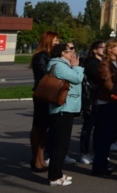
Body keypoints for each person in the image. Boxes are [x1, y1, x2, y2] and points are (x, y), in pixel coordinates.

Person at [46, 43, 84, 186]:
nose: (73, 54)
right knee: (60, 143)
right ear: (62, 53)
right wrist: (76, 66)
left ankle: (58, 173)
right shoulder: (59, 65)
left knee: (62, 142)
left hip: (66, 107)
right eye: (70, 51)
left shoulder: (62, 64)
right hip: (62, 108)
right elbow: (77, 79)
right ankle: (54, 177)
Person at [92, 38, 117, 177]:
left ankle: (102, 164)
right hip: (107, 102)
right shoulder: (104, 65)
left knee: (110, 135)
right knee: (104, 137)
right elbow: (108, 84)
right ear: (110, 49)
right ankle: (99, 167)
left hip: (115, 102)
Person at [29, 31, 60, 173]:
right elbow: (44, 73)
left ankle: (40, 159)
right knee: (39, 128)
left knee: (44, 129)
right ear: (47, 41)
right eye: (55, 40)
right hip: (42, 95)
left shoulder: (51, 56)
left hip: (50, 95)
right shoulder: (40, 56)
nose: (57, 43)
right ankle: (37, 160)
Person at [79, 40, 105, 165]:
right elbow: (98, 76)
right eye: (102, 48)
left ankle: (97, 151)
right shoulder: (91, 62)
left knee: (99, 127)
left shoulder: (103, 62)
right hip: (92, 98)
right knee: (88, 127)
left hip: (101, 98)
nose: (104, 50)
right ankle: (84, 152)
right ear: (95, 50)